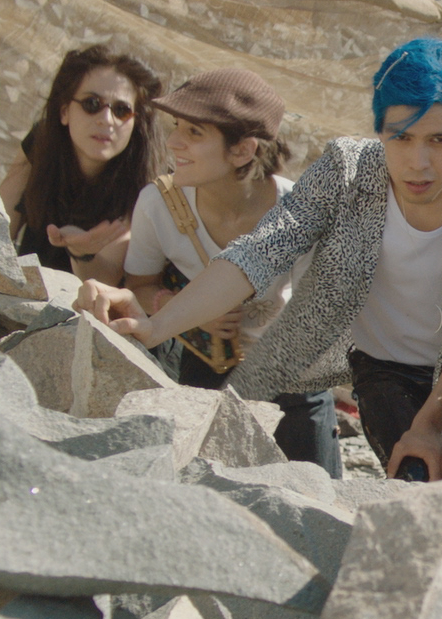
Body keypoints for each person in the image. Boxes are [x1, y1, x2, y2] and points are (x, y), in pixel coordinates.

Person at [75, 38, 442, 478]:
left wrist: (433, 420)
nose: (418, 162)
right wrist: (156, 325)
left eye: (439, 140)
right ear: (379, 131)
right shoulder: (346, 170)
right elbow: (259, 252)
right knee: (422, 494)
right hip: (383, 369)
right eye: (400, 138)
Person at [120, 68, 341, 474]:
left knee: (319, 502)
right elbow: (140, 285)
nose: (173, 142)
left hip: (291, 377)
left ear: (242, 151)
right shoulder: (158, 204)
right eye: (176, 127)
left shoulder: (297, 210)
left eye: (195, 133)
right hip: (206, 363)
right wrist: (188, 313)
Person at [0, 45, 165, 285]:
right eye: (92, 104)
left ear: (135, 122)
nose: (106, 120)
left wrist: (81, 252)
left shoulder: (146, 184)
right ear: (64, 111)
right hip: (20, 291)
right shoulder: (41, 144)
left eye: (122, 110)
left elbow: (106, 276)